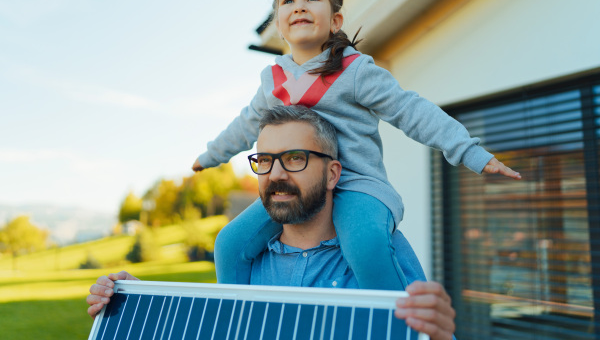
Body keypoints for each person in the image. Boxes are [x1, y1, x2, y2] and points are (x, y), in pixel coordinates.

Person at [192, 0, 521, 291]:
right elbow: (246, 124)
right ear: (278, 24)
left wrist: (469, 151)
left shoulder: (356, 71)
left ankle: (395, 321)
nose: (300, 6)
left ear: (335, 21)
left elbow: (410, 110)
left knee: (365, 245)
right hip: (297, 186)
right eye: (288, 1)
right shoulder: (272, 81)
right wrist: (210, 155)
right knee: (229, 244)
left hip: (358, 186)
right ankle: (236, 315)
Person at [87, 105, 456, 339]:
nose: (275, 174)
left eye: (294, 158)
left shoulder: (378, 251)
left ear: (332, 174)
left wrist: (437, 335)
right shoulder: (247, 263)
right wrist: (136, 305)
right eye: (264, 160)